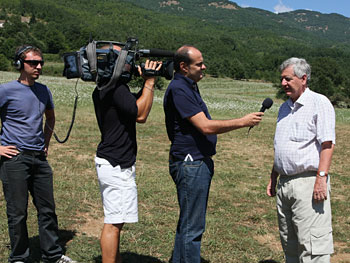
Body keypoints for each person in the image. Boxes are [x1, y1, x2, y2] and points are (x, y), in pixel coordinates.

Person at [163, 45, 264, 263]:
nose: (204, 67)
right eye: (199, 64)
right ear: (183, 66)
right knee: (192, 229)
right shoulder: (180, 89)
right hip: (191, 163)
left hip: (194, 162)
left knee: (188, 224)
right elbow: (205, 126)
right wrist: (242, 121)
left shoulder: (188, 86)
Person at [0, 45, 76, 263]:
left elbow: (50, 118)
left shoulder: (44, 90)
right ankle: (19, 258)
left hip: (39, 159)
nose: (39, 66)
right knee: (17, 212)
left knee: (47, 209)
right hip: (14, 159)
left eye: (40, 62)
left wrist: (45, 143)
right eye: (33, 63)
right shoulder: (5, 90)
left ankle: (52, 255)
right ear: (20, 64)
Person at [92, 44, 162, 263]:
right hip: (116, 164)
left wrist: (144, 83)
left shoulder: (105, 87)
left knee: (115, 220)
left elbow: (133, 105)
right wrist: (150, 81)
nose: (131, 64)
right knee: (113, 223)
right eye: (127, 60)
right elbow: (140, 114)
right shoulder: (116, 89)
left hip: (110, 161)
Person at [266, 57, 335, 262]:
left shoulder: (319, 103)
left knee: (313, 247)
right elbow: (282, 145)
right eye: (282, 79)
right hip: (285, 185)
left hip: (308, 183)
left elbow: (327, 145)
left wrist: (321, 178)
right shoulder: (284, 108)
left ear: (303, 78)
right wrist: (274, 175)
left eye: (288, 79)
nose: (283, 83)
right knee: (290, 244)